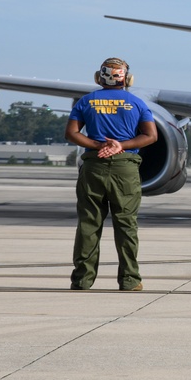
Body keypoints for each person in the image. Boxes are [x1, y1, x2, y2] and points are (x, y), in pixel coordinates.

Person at [65, 57, 157, 291]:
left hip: (93, 166)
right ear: (127, 79)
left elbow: (71, 133)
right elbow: (151, 136)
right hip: (125, 169)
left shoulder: (86, 102)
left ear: (99, 77)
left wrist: (97, 145)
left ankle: (82, 280)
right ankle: (129, 280)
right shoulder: (137, 103)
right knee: (126, 224)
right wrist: (121, 145)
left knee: (88, 224)